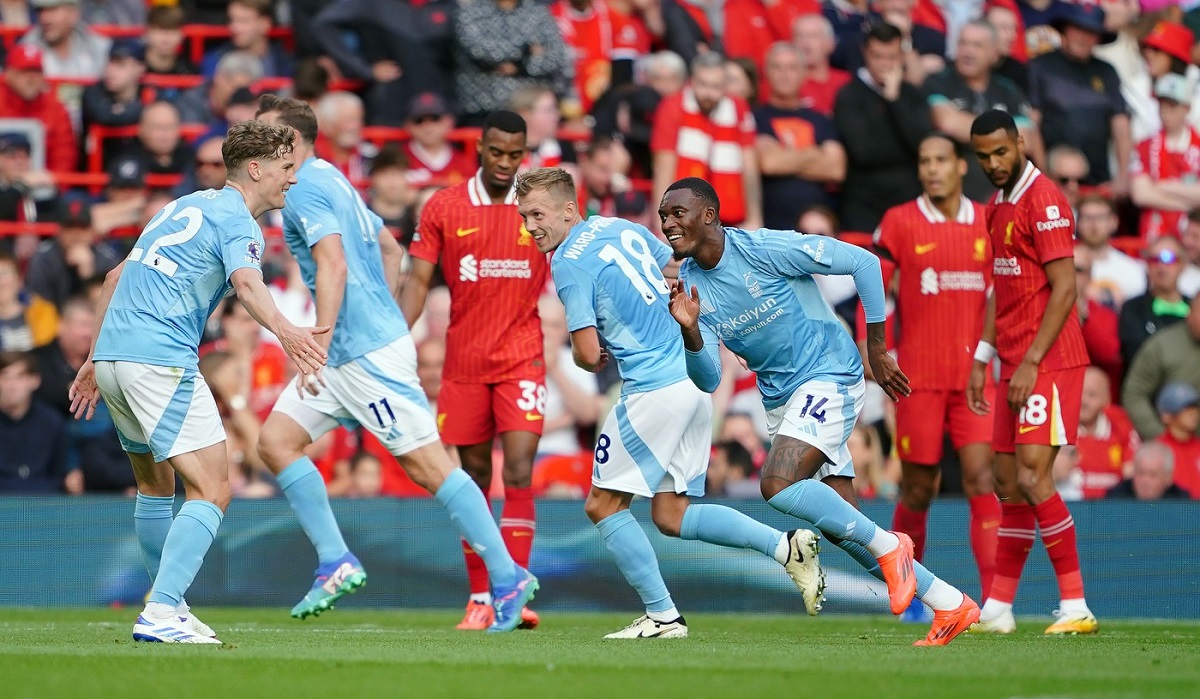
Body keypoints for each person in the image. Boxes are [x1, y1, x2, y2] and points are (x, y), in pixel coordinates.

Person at [249, 96, 540, 629]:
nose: (256, 147)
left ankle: (508, 575)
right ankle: (334, 560)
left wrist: (324, 335)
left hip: (359, 353)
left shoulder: (303, 189)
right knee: (275, 442)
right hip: (352, 349)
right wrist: (376, 313)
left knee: (428, 467)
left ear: (290, 142)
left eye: (265, 136)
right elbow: (390, 249)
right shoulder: (333, 178)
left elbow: (333, 263)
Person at [662, 176, 980, 647]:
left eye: (677, 213)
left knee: (778, 483)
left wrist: (876, 348)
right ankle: (950, 602)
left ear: (709, 215)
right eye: (663, 215)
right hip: (781, 401)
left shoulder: (766, 248)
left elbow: (864, 263)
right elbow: (708, 378)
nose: (667, 224)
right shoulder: (691, 285)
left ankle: (895, 548)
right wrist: (689, 332)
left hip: (830, 374)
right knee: (844, 525)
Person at [515, 167, 823, 638]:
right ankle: (785, 547)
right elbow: (680, 265)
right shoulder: (621, 226)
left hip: (653, 387)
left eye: (537, 214)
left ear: (569, 209)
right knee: (671, 513)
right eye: (524, 216)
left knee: (602, 505)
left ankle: (662, 615)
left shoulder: (566, 262)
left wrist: (590, 356)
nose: (531, 225)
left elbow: (582, 351)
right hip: (694, 374)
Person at [66, 120, 331, 645]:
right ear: (255, 169)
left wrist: (96, 359)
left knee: (155, 485)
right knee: (213, 487)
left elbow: (114, 278)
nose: (291, 180)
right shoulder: (239, 221)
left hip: (116, 357)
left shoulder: (180, 205)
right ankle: (162, 610)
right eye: (285, 169)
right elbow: (247, 282)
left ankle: (173, 606)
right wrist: (287, 332)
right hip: (159, 361)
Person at [399, 110, 548, 631]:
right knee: (474, 477)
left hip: (523, 355)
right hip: (463, 362)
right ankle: (482, 594)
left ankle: (515, 589)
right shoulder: (445, 204)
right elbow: (418, 281)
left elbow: (580, 258)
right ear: (480, 148)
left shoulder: (541, 206)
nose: (506, 164)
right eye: (497, 153)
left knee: (522, 468)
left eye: (516, 154)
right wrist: (396, 341)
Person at [967, 109, 1096, 636]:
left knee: (1031, 476)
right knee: (1007, 485)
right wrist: (982, 355)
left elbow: (1065, 290)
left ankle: (1075, 605)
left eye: (1001, 151)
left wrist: (1032, 363)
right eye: (983, 156)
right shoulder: (997, 206)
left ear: (1020, 143)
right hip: (1014, 361)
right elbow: (1003, 286)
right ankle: (998, 607)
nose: (994, 163)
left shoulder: (1044, 199)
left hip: (1051, 359)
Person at [873, 132, 999, 618]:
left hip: (973, 378)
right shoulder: (900, 222)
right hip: (917, 378)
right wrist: (878, 349)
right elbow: (875, 290)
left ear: (961, 166)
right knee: (918, 487)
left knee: (981, 479)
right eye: (924, 161)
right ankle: (914, 598)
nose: (932, 169)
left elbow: (1000, 295)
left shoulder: (988, 222)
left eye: (941, 160)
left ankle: (995, 603)